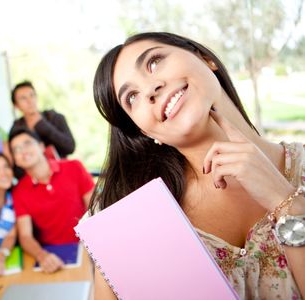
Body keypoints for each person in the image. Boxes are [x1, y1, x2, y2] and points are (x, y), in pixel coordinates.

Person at [91, 32, 305, 299]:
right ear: (145, 132)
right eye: (131, 97)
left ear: (205, 59)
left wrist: (285, 201)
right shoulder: (135, 223)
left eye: (154, 62)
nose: (149, 90)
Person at [9, 128, 94, 273]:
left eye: (27, 143)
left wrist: (91, 242)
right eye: (16, 149)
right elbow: (25, 236)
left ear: (41, 146)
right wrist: (42, 256)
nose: (23, 151)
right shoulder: (18, 192)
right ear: (16, 160)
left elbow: (95, 209)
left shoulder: (74, 167)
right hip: (53, 256)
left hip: (89, 245)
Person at [9, 81, 75, 159]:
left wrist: (43, 125)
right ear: (16, 105)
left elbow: (70, 147)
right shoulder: (16, 129)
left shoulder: (55, 117)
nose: (30, 101)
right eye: (23, 98)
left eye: (32, 95)